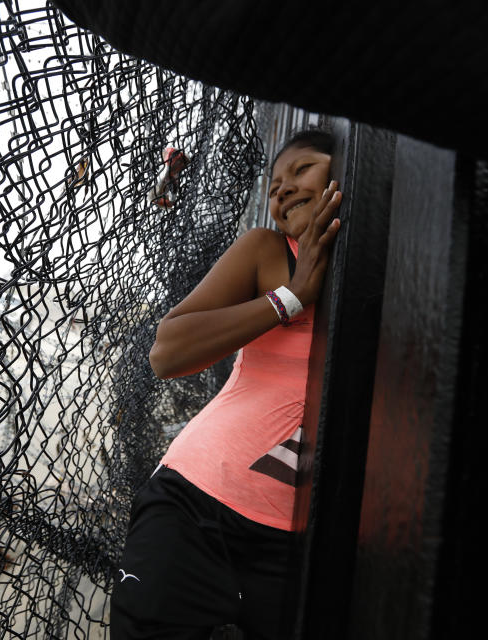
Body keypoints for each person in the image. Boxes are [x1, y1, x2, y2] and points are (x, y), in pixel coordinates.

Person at [111, 129, 342, 639]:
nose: (280, 191)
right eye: (274, 183)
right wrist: (291, 296)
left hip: (296, 541)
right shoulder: (268, 251)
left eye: (301, 171)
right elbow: (168, 352)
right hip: (196, 505)